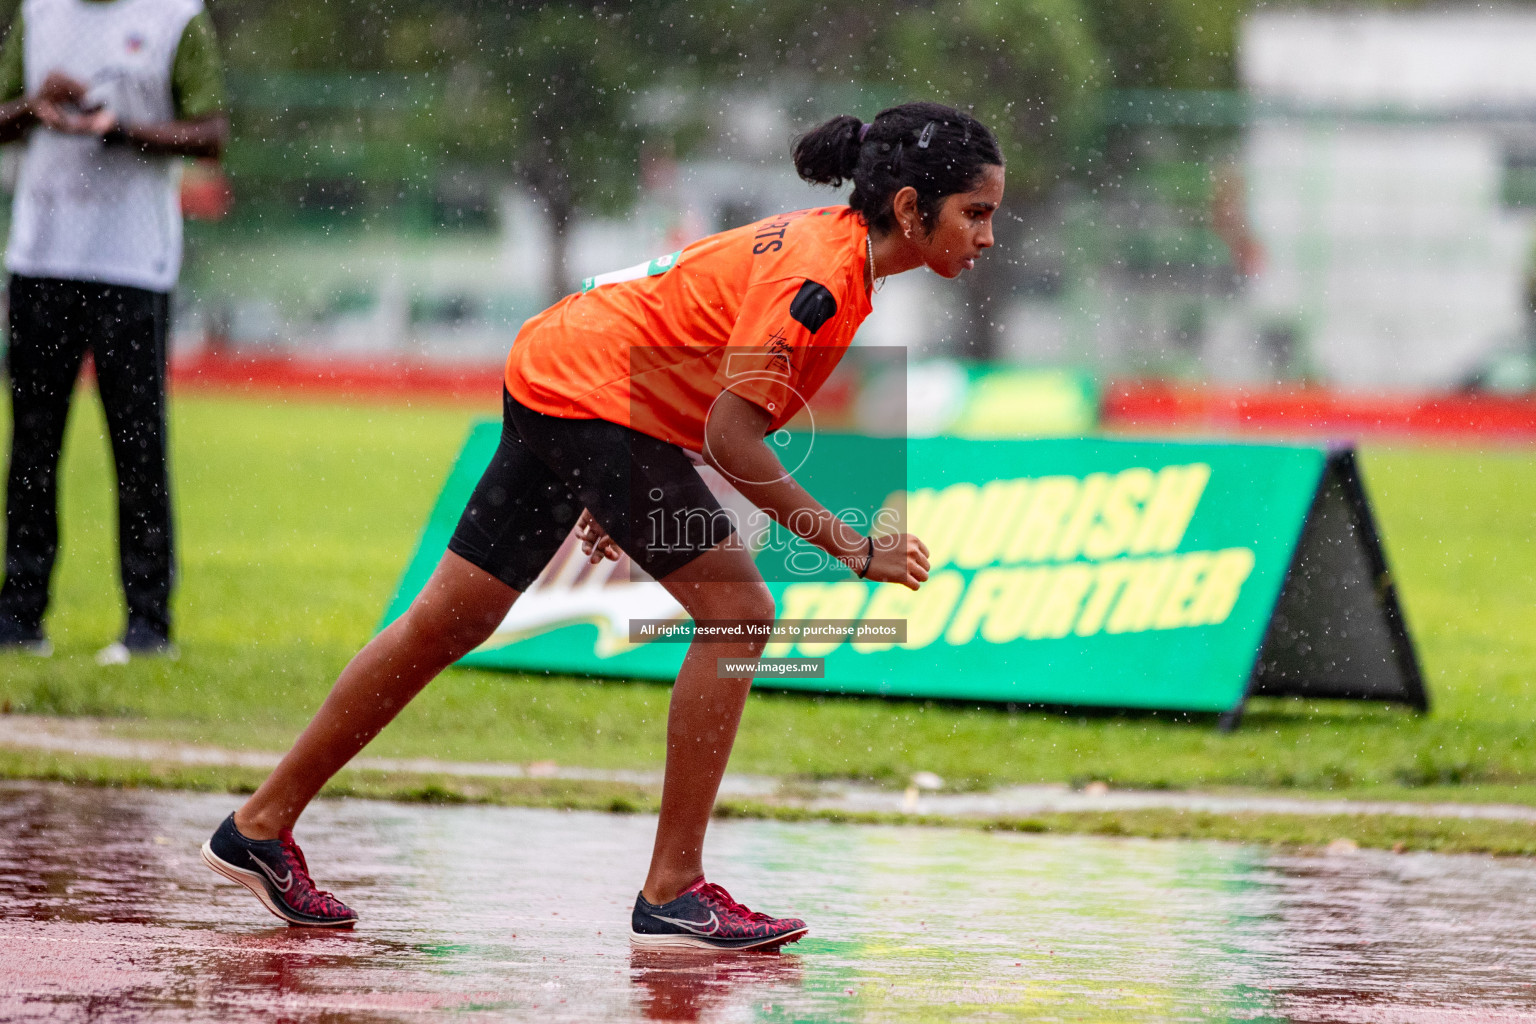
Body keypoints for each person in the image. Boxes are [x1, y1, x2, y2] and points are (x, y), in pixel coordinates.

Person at [202, 101, 1005, 949]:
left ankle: (258, 827)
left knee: (453, 620)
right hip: (588, 393)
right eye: (976, 214)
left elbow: (697, 371)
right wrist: (851, 546)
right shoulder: (822, 281)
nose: (988, 237)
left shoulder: (834, 253)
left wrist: (616, 481)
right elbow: (732, 433)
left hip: (561, 370)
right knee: (741, 615)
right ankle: (673, 891)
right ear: (912, 208)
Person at [0, 0, 228, 661]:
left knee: (138, 449)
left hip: (132, 264)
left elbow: (211, 134)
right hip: (42, 258)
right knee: (32, 450)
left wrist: (124, 130)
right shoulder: (39, 13)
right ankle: (19, 618)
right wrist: (33, 107)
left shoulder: (175, 17)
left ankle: (148, 625)